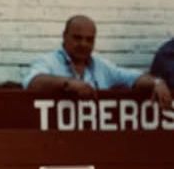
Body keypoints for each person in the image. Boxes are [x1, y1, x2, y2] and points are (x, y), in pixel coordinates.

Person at [24, 15, 171, 108]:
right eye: (77, 38)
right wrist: (67, 83)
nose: (83, 44)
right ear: (64, 36)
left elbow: (133, 78)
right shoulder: (47, 61)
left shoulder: (102, 66)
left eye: (89, 39)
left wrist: (157, 83)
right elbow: (33, 82)